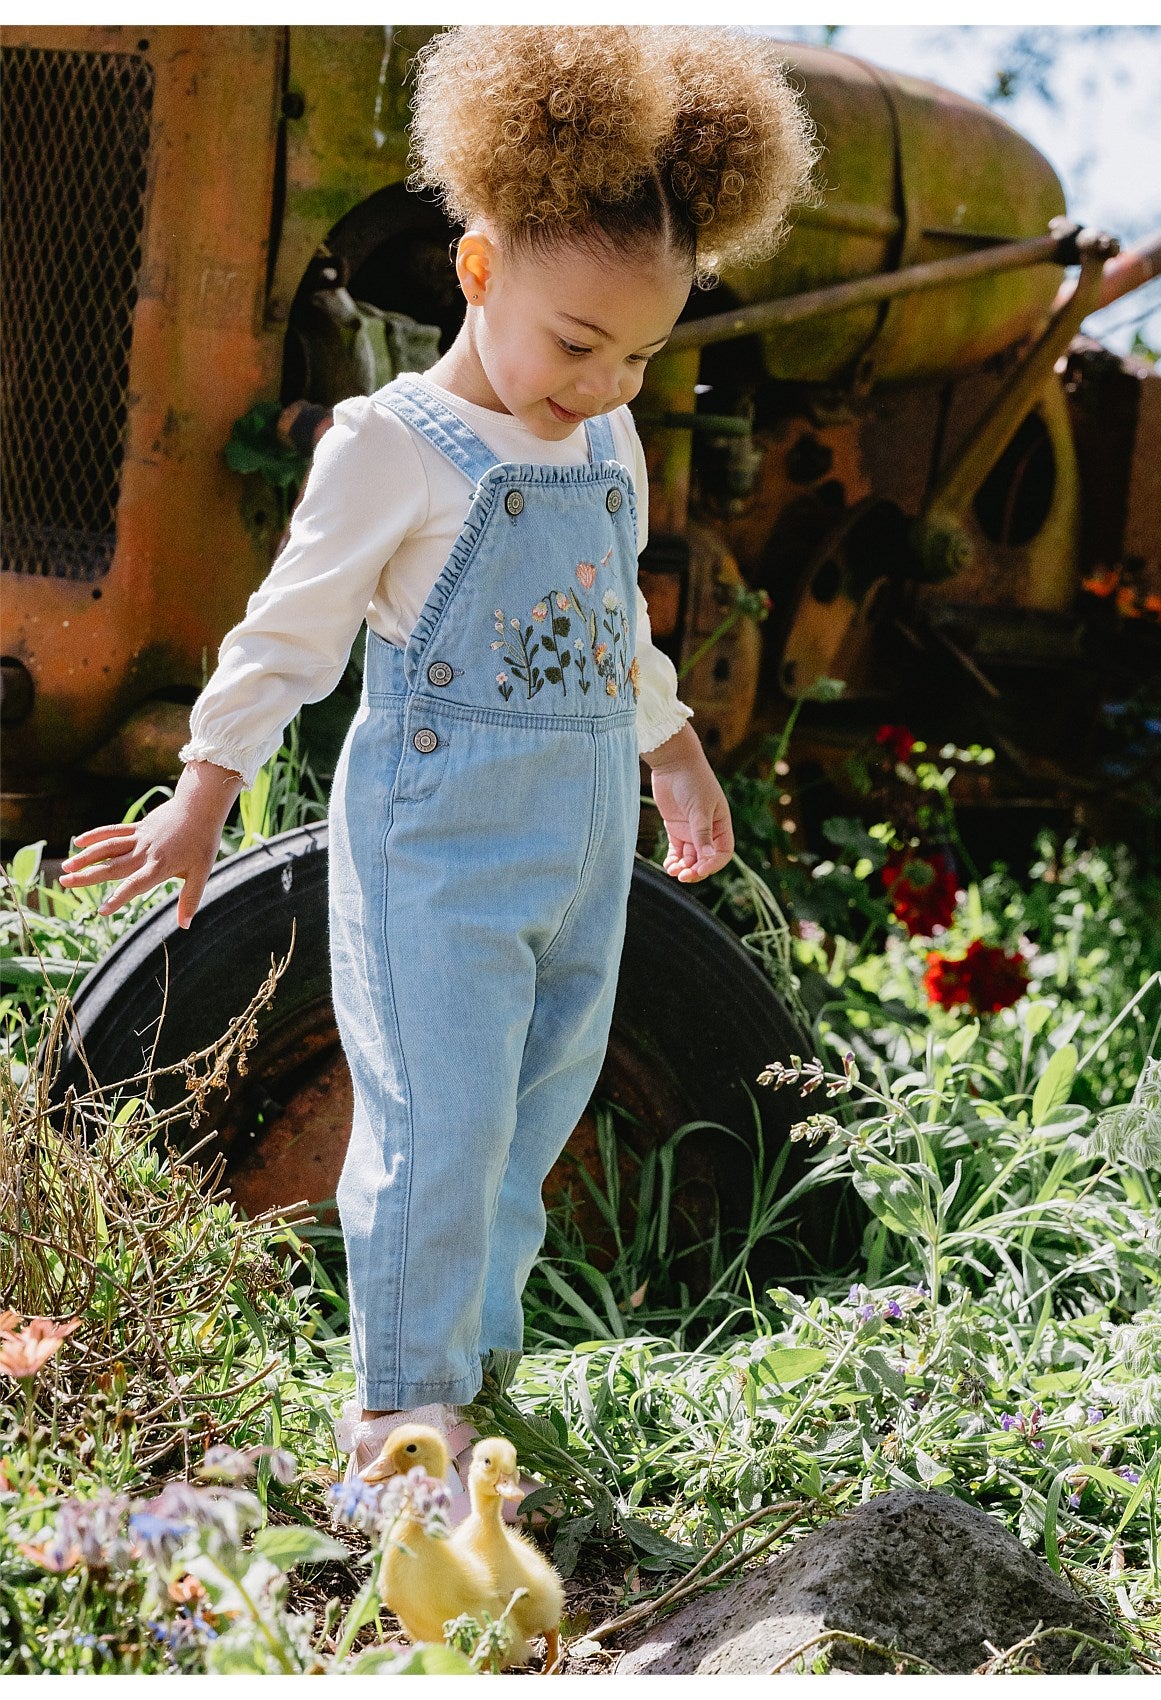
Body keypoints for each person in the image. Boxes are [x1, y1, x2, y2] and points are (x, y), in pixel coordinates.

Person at [59, 24, 819, 1511]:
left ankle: (473, 1381)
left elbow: (617, 620)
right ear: (478, 273)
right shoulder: (396, 446)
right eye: (579, 344)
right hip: (441, 850)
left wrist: (672, 748)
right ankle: (395, 1425)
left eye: (645, 356)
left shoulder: (602, 446)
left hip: (585, 840)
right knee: (433, 1125)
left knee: (531, 1122)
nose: (605, 384)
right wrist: (204, 794)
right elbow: (288, 635)